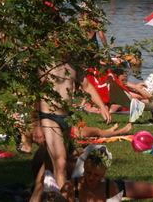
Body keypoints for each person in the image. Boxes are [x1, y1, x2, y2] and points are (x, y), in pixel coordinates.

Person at [36, 63, 111, 194]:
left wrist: (102, 106)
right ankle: (65, 197)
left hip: (66, 117)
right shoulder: (46, 60)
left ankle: (35, 197)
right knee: (61, 163)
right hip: (48, 116)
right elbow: (35, 93)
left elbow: (86, 85)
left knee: (48, 165)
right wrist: (36, 125)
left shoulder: (73, 60)